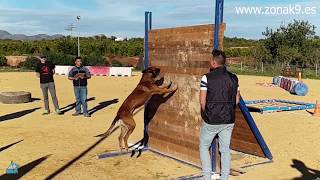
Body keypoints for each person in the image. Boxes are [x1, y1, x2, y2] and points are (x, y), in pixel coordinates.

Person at [199, 49, 240, 180]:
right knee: (225, 149)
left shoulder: (206, 77)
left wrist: (207, 114)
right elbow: (237, 100)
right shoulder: (234, 78)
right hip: (229, 119)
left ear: (214, 62)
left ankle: (206, 177)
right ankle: (224, 178)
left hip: (212, 119)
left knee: (204, 147)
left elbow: (202, 101)